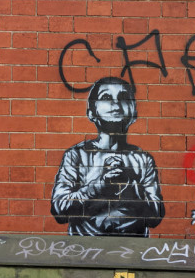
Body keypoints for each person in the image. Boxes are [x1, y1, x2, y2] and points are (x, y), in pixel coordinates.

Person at [51, 77, 165, 236]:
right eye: (106, 97)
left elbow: (155, 216)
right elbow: (59, 209)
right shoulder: (77, 156)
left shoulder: (143, 160)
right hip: (85, 251)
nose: (116, 103)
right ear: (91, 113)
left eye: (124, 98)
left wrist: (130, 185)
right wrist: (100, 186)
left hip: (133, 252)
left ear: (133, 112)